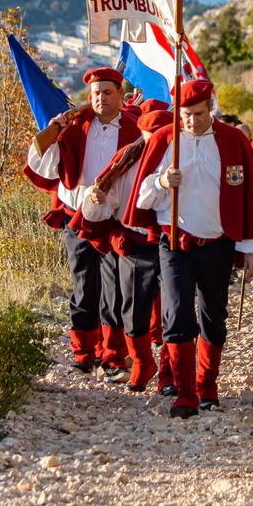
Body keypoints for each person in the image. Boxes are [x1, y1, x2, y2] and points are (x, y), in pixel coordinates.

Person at [126, 80, 253, 418]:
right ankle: (186, 393)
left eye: (198, 114)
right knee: (177, 314)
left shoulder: (234, 140)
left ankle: (208, 384)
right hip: (176, 243)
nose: (191, 121)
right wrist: (163, 182)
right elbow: (143, 196)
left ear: (211, 109)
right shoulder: (167, 141)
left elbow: (251, 194)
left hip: (218, 244)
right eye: (185, 115)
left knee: (213, 316)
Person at [23, 67, 142, 377]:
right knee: (82, 286)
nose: (101, 98)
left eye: (107, 92)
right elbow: (47, 167)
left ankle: (113, 356)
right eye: (96, 93)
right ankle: (83, 352)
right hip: (77, 217)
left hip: (114, 220)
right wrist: (52, 134)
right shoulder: (74, 128)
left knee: (114, 288)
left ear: (119, 95)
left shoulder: (134, 129)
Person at [81, 104, 173, 392]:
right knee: (133, 310)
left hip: (173, 242)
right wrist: (96, 199)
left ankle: (171, 371)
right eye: (149, 137)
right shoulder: (126, 160)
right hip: (136, 245)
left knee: (175, 309)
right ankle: (144, 362)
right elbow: (109, 202)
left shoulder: (181, 159)